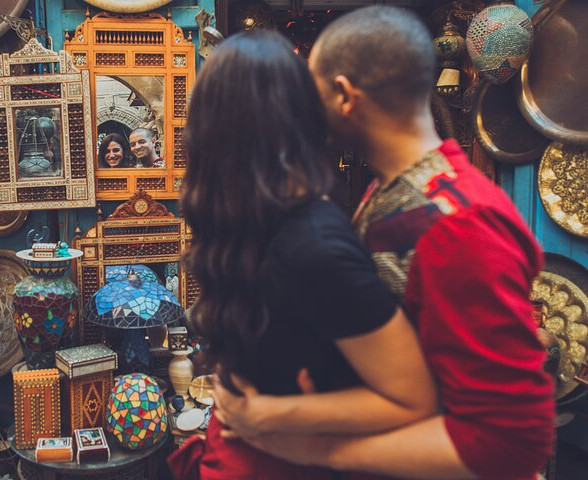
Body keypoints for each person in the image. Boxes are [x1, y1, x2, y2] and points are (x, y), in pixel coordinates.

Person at [212, 6, 555, 480]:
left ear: (343, 95)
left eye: (310, 94)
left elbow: (513, 444)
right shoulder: (395, 192)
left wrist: (315, 449)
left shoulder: (457, 224)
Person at [168, 30, 438, 480]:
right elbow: (414, 395)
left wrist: (270, 414)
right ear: (300, 116)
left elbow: (411, 396)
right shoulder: (297, 233)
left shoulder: (285, 233)